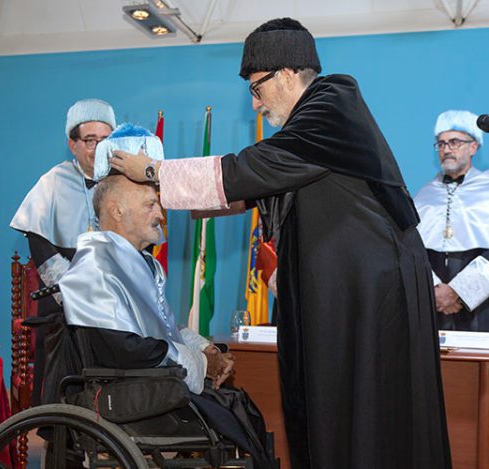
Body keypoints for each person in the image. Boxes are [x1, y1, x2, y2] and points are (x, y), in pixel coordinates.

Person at [110, 17, 451, 469]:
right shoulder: (314, 125)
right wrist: (170, 196)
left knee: (366, 410)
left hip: (367, 296)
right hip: (342, 291)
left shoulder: (331, 106)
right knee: (333, 406)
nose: (254, 105)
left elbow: (245, 172)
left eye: (257, 88)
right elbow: (256, 187)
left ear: (287, 74)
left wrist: (153, 172)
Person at [58, 167, 274, 468]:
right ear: (117, 210)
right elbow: (128, 350)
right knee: (236, 411)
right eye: (150, 204)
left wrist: (207, 349)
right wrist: (200, 364)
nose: (161, 213)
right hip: (127, 393)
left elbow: (165, 328)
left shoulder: (139, 263)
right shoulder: (93, 266)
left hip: (154, 383)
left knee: (240, 405)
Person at [9, 98, 116, 405]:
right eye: (90, 140)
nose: (97, 148)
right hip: (62, 295)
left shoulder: (124, 182)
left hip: (112, 291)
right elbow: (38, 238)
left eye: (105, 140)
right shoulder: (52, 182)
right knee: (61, 366)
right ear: (73, 143)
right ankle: (59, 439)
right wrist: (71, 287)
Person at [414, 109, 489, 333]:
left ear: (473, 146)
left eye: (455, 142)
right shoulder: (425, 195)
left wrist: (457, 292)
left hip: (479, 307)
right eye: (441, 144)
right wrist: (435, 290)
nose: (446, 149)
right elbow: (412, 250)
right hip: (432, 305)